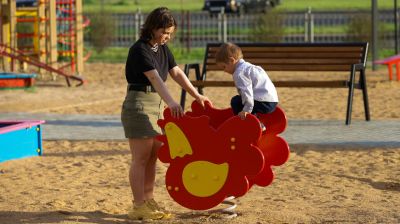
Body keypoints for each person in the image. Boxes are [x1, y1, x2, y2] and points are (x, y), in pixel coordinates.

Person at [121, 7, 209, 220]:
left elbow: (176, 72)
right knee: (140, 158)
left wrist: (197, 95)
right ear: (152, 27)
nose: (167, 37)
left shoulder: (162, 48)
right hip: (140, 104)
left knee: (153, 157)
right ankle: (137, 205)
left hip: (157, 105)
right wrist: (172, 101)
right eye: (164, 32)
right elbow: (154, 78)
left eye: (170, 33)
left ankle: (148, 200)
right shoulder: (139, 49)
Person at [215, 42, 278, 131]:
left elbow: (246, 93)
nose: (224, 71)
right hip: (272, 101)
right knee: (241, 100)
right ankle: (256, 122)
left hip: (263, 102)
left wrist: (246, 110)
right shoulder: (249, 67)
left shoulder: (239, 73)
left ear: (232, 60)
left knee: (236, 101)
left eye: (224, 67)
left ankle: (248, 125)